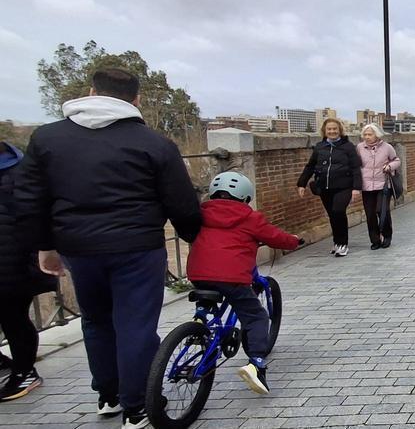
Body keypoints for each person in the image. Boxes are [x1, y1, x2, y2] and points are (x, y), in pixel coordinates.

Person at [15, 68, 202, 429]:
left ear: (90, 91)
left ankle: (109, 395)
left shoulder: (48, 138)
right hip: (137, 248)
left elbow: (29, 198)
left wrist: (43, 246)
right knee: (135, 325)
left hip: (78, 248)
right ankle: (138, 407)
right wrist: (193, 236)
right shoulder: (154, 143)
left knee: (97, 321)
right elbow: (180, 202)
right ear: (136, 100)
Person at [186, 172, 301, 395]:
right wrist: (294, 241)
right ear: (245, 196)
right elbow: (275, 236)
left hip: (198, 273)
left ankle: (200, 319)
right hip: (232, 277)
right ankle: (256, 364)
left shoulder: (201, 213)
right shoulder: (249, 217)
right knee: (256, 316)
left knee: (208, 293)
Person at [0, 141, 57, 402]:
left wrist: (44, 250)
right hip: (18, 255)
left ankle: (24, 371)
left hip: (15, 259)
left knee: (13, 317)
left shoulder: (20, 172)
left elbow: (37, 212)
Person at [296, 118, 361, 257]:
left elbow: (356, 168)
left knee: (338, 211)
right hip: (325, 187)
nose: (332, 131)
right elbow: (310, 166)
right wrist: (302, 183)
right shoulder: (320, 147)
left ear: (340, 130)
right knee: (332, 215)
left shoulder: (348, 147)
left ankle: (343, 243)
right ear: (325, 131)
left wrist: (356, 188)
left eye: (335, 129)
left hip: (344, 186)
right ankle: (337, 242)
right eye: (329, 129)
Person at [356, 123, 401, 250]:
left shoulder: (387, 147)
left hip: (383, 185)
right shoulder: (360, 147)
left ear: (377, 135)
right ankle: (375, 239)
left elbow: (397, 160)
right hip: (367, 185)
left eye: (370, 134)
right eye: (365, 134)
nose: (367, 137)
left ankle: (387, 236)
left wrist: (389, 166)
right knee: (370, 214)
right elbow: (356, 163)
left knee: (382, 210)